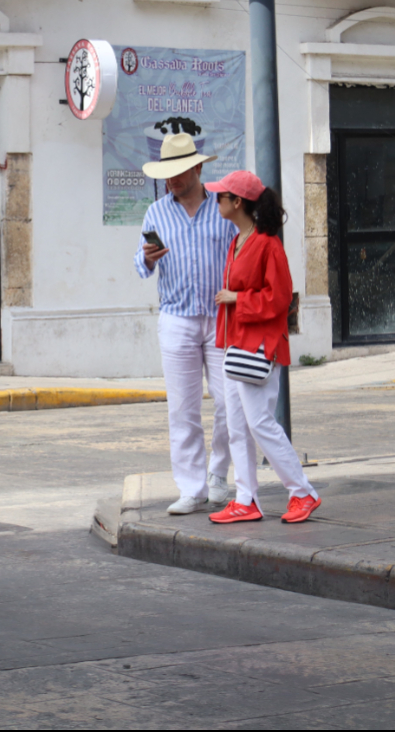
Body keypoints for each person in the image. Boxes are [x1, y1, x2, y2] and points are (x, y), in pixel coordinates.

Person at [204, 170, 321, 525]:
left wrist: (238, 298)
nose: (217, 200)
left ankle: (302, 491)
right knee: (238, 425)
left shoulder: (268, 244)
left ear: (237, 202)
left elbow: (281, 297)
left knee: (259, 422)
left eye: (221, 196)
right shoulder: (238, 240)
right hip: (237, 345)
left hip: (260, 347)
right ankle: (245, 498)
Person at [135, 133, 238, 515]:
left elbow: (240, 252)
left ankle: (218, 476)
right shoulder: (156, 212)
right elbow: (140, 265)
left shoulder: (223, 208)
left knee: (230, 403)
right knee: (182, 409)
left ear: (197, 168)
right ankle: (191, 487)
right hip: (177, 317)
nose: (172, 180)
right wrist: (147, 258)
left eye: (178, 172)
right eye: (167, 173)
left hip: (219, 316)